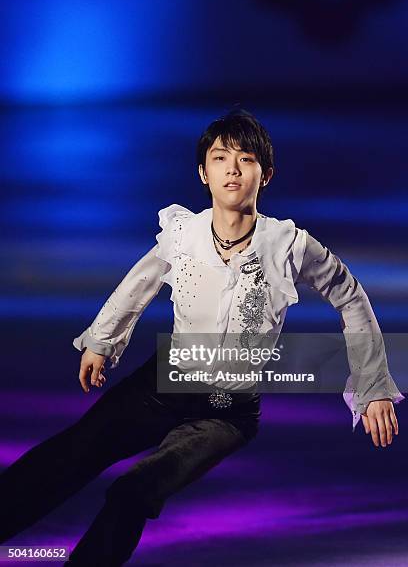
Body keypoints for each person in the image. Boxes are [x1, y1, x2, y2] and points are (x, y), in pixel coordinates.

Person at [0, 109, 404, 566]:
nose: (232, 169)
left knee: (136, 491)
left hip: (226, 413)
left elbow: (349, 294)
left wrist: (372, 386)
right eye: (219, 157)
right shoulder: (184, 235)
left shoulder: (289, 245)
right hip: (163, 383)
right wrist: (102, 340)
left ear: (265, 174)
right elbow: (141, 281)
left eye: (246, 159)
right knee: (71, 453)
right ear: (203, 172)